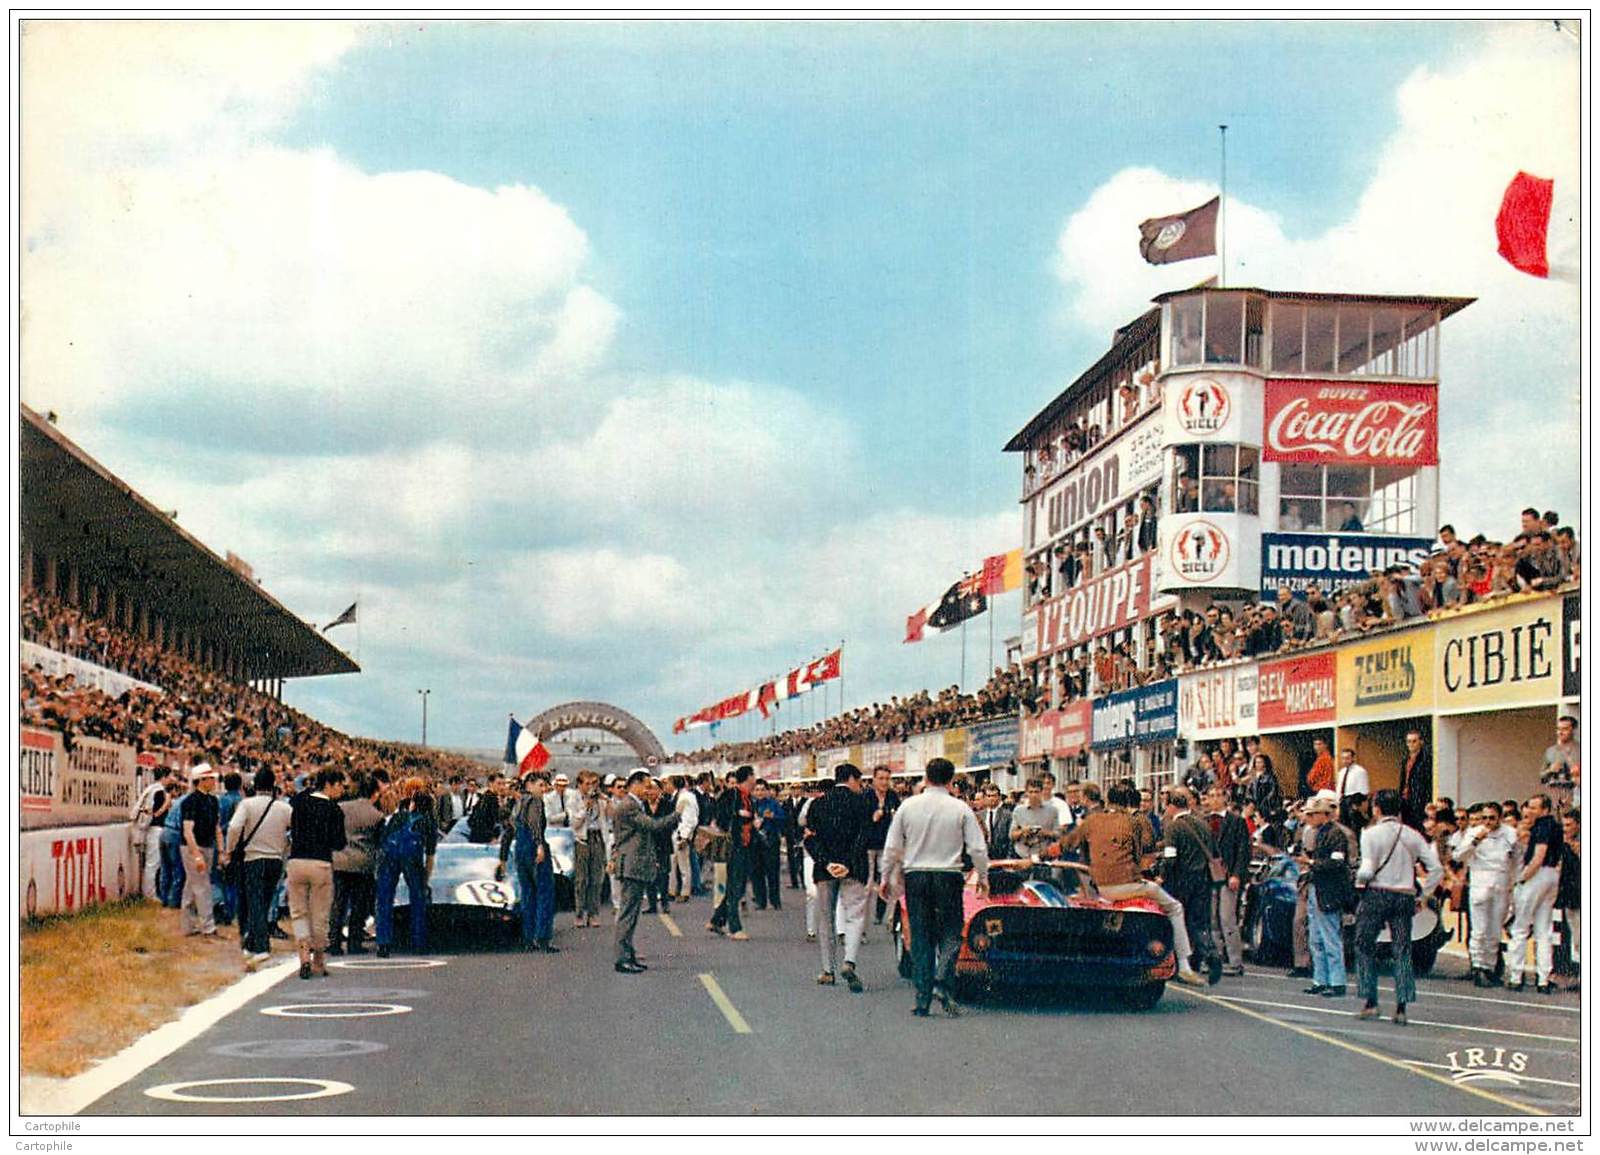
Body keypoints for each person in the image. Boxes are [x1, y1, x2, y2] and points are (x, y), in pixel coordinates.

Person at [1045, 782, 1208, 987]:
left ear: (1108, 800)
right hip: (1126, 886)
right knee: (1175, 907)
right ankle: (1184, 966)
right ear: (1128, 803)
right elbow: (1143, 856)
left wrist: (1037, 855)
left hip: (1101, 887)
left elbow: (1064, 844)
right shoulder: (1134, 823)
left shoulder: (1092, 820)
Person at [879, 758, 989, 1017]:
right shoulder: (960, 808)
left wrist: (886, 877)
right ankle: (943, 981)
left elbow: (893, 848)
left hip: (916, 876)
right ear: (951, 780)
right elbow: (977, 847)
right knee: (951, 933)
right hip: (949, 875)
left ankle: (922, 997)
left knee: (921, 936)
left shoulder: (908, 807)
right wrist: (982, 875)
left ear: (926, 778)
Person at [1354, 789, 1442, 1024]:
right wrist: (1424, 896)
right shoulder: (1413, 835)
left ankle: (1370, 1001)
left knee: (1364, 944)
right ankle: (1402, 1005)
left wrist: (1359, 882)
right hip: (1404, 894)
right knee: (1402, 949)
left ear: (1377, 808)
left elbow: (1367, 868)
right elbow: (1436, 869)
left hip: (1377, 893)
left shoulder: (1370, 834)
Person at [804, 764, 873, 992]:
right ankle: (849, 961)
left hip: (825, 870)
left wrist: (827, 862)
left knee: (826, 919)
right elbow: (864, 837)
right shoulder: (862, 803)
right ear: (852, 779)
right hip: (853, 869)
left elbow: (809, 839)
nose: (860, 786)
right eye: (859, 781)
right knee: (854, 915)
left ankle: (827, 969)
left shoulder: (818, 804)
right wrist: (848, 863)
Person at [610, 769, 682, 974]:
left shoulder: (633, 804)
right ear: (636, 784)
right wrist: (677, 815)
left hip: (636, 863)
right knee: (627, 913)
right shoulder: (629, 806)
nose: (649, 790)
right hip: (632, 864)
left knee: (631, 914)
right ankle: (622, 957)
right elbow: (653, 825)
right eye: (647, 786)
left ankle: (628, 954)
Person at [225, 766, 292, 971]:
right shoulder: (284, 808)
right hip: (275, 859)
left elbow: (234, 827)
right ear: (273, 785)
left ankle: (260, 946)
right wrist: (286, 847)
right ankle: (254, 942)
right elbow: (295, 830)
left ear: (255, 785)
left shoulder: (247, 804)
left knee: (253, 901)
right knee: (265, 901)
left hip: (253, 857)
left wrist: (230, 849)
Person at [285, 767, 348, 979]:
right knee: (320, 913)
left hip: (296, 860)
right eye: (340, 785)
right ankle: (318, 958)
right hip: (321, 862)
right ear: (330, 784)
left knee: (298, 912)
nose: (342, 790)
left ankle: (303, 955)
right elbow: (339, 843)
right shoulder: (334, 810)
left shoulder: (299, 803)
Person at [1160, 786, 1225, 984]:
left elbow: (1170, 857)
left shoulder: (1174, 827)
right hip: (1203, 879)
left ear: (1171, 806)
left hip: (1181, 879)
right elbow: (1214, 851)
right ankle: (1210, 953)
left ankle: (1183, 965)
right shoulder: (1202, 824)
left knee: (1179, 922)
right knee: (1199, 922)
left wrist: (1162, 874)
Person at [1451, 801, 1518, 987]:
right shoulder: (1474, 832)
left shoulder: (1510, 834)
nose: (1488, 822)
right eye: (1485, 818)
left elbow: (1517, 859)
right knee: (1479, 929)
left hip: (1501, 882)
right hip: (1480, 882)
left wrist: (1514, 883)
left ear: (1500, 818)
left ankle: (1489, 967)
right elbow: (1458, 856)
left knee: (1494, 930)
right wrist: (1475, 840)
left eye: (1492, 818)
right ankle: (1478, 965)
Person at [1505, 793, 1564, 993]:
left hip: (1537, 875)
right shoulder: (1556, 826)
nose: (1529, 811)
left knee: (1520, 927)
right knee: (1544, 930)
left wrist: (1521, 878)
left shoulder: (1542, 827)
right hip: (1551, 875)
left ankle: (1516, 975)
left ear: (1544, 809)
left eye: (1534, 807)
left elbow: (1538, 857)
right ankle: (1543, 979)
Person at [1299, 794, 1356, 997]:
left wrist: (1312, 863)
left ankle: (1336, 981)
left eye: (1313, 814)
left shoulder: (1335, 835)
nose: (1310, 818)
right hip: (1318, 887)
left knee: (1330, 937)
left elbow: (1337, 862)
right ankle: (1321, 979)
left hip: (1329, 890)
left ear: (1325, 814)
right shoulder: (1321, 833)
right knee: (1316, 937)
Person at [374, 778, 435, 959]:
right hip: (412, 858)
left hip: (389, 856)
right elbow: (430, 856)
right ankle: (418, 942)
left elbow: (383, 839)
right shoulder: (429, 822)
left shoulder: (398, 816)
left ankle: (383, 943)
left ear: (413, 804)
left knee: (385, 899)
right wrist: (426, 878)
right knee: (417, 898)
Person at [498, 771, 559, 952]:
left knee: (527, 894)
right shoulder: (534, 801)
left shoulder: (516, 802)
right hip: (533, 847)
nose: (544, 789)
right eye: (541, 785)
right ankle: (543, 938)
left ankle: (528, 937)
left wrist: (502, 857)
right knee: (544, 893)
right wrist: (539, 844)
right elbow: (535, 824)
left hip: (520, 848)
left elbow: (509, 829)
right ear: (530, 784)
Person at [329, 773, 384, 956]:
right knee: (359, 905)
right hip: (363, 863)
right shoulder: (376, 815)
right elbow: (378, 842)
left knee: (338, 903)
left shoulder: (340, 808)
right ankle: (354, 941)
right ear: (375, 793)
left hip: (339, 860)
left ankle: (334, 941)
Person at [1203, 785, 1252, 977]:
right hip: (1208, 874)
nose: (1214, 799)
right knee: (1211, 919)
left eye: (1218, 795)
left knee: (1227, 918)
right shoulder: (1204, 821)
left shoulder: (1236, 822)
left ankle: (1235, 961)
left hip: (1228, 874)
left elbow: (1243, 850)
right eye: (1211, 795)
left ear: (1226, 798)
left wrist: (1237, 874)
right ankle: (1215, 959)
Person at [707, 765, 759, 941]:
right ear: (748, 777)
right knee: (736, 886)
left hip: (746, 845)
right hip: (735, 845)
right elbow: (721, 816)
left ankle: (716, 920)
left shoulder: (748, 797)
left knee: (736, 885)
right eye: (753, 777)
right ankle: (734, 927)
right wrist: (739, 815)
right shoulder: (732, 795)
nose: (755, 780)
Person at [178, 764, 222, 938]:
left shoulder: (213, 801)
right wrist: (196, 855)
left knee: (193, 885)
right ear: (202, 780)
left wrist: (221, 849)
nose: (214, 782)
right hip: (194, 847)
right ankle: (208, 927)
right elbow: (188, 831)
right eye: (211, 778)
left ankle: (187, 925)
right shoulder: (190, 801)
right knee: (202, 886)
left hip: (207, 845)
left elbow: (216, 826)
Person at [863, 766, 900, 927]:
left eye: (887, 779)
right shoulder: (866, 797)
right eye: (881, 778)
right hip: (869, 845)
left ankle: (883, 914)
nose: (884, 782)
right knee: (868, 884)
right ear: (874, 780)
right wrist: (872, 818)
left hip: (887, 845)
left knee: (890, 882)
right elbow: (859, 821)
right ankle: (861, 923)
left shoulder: (893, 796)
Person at [570, 770, 607, 927]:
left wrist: (605, 800)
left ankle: (593, 913)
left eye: (594, 783)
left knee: (596, 879)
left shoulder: (600, 799)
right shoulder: (574, 798)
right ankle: (579, 913)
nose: (591, 787)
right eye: (587, 784)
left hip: (597, 838)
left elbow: (610, 816)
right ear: (579, 785)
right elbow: (575, 823)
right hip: (582, 840)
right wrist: (585, 807)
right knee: (581, 879)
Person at [133, 765, 173, 902]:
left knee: (155, 863)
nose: (170, 779)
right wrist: (165, 806)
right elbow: (153, 813)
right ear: (164, 777)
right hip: (155, 829)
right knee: (153, 863)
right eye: (169, 777)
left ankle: (151, 892)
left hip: (154, 829)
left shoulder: (152, 790)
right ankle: (149, 893)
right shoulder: (158, 792)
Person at [213, 772, 244, 926]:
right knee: (234, 880)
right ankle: (231, 911)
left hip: (219, 841)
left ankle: (219, 905)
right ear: (240, 785)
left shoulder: (220, 800)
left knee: (218, 877)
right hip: (235, 843)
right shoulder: (242, 802)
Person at [750, 779, 786, 911]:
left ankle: (775, 901)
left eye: (762, 790)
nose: (759, 792)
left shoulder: (773, 804)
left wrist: (771, 817)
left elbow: (783, 819)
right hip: (755, 843)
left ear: (767, 791)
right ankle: (761, 901)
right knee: (756, 873)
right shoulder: (751, 805)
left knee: (772, 873)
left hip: (770, 842)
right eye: (757, 790)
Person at [1008, 778, 1061, 859]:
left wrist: (1046, 833)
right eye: (1031, 792)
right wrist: (1023, 831)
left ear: (1042, 792)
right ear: (1026, 793)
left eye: (1036, 792)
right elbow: (1011, 835)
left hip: (1044, 855)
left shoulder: (1052, 810)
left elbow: (1059, 834)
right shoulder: (1018, 810)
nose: (1033, 795)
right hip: (1023, 855)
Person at [159, 772, 190, 908]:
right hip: (175, 835)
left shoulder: (176, 802)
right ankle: (174, 902)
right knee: (178, 870)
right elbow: (184, 824)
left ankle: (164, 899)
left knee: (165, 869)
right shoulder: (187, 802)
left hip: (164, 832)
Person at [670, 774, 700, 903]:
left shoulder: (687, 798)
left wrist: (685, 836)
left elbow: (690, 818)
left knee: (684, 866)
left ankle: (685, 891)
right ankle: (671, 890)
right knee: (672, 864)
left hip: (681, 834)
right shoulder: (677, 796)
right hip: (674, 832)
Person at [1400, 729, 1433, 832]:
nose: (1411, 744)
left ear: (1421, 742)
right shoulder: (1406, 760)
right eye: (1409, 741)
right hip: (1405, 800)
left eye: (1414, 741)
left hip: (1419, 800)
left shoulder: (1426, 760)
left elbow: (1428, 781)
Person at [1335, 747, 1370, 832]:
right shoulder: (1341, 772)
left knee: (1354, 828)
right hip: (1343, 801)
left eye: (1347, 758)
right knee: (1344, 828)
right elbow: (1339, 789)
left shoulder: (1360, 771)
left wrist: (1357, 805)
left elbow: (1364, 790)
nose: (1345, 761)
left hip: (1354, 801)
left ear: (1353, 758)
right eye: (1343, 758)